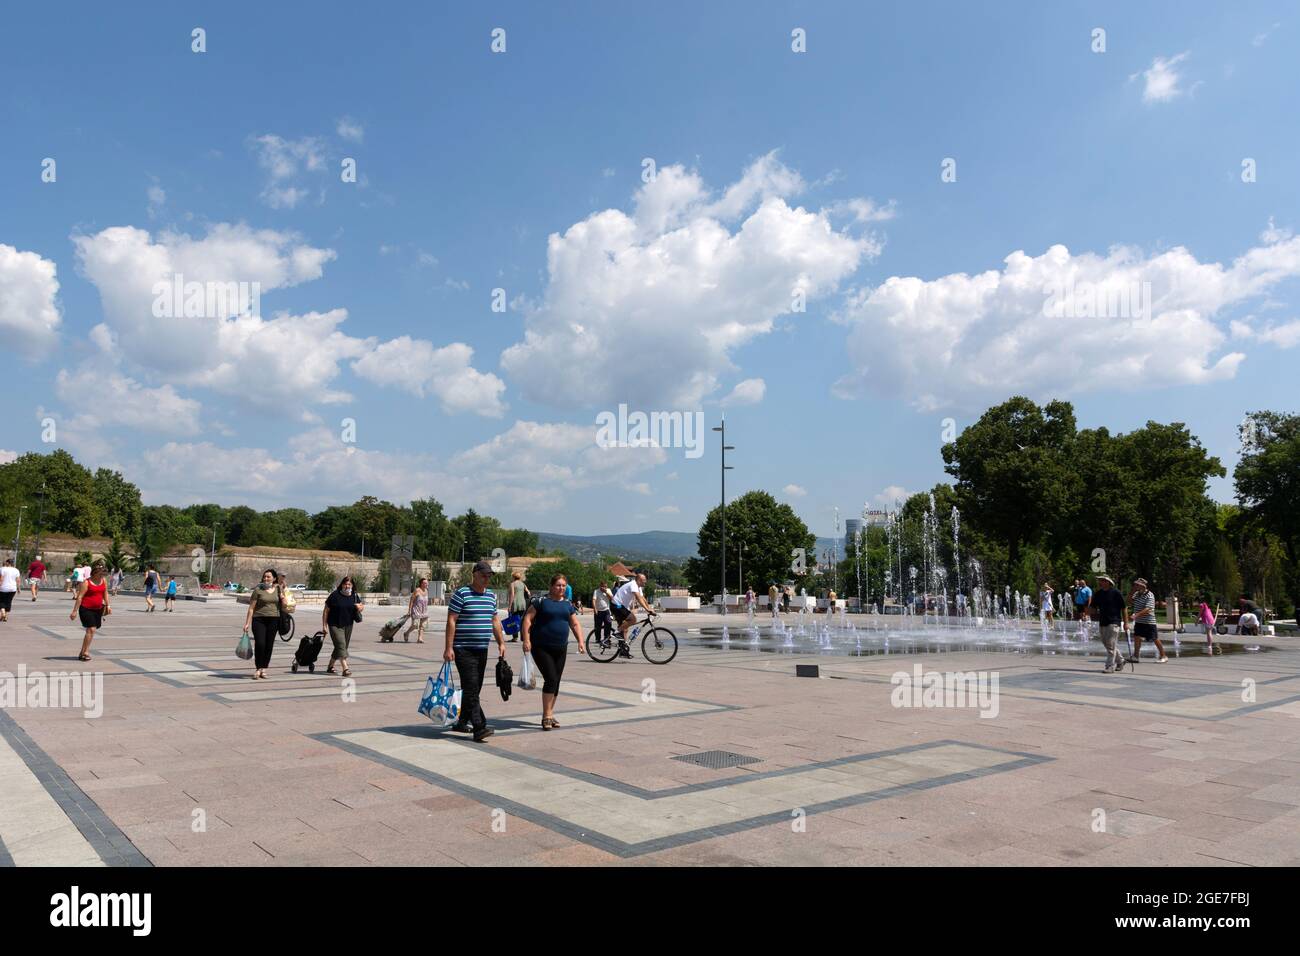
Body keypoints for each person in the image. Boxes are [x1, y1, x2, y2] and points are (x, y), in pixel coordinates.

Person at [444, 561, 508, 743]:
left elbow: (495, 621)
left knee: (474, 687)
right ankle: (480, 727)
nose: (487, 578)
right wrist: (448, 648)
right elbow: (451, 621)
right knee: (472, 688)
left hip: (482, 649)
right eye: (483, 575)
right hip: (463, 649)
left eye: (489, 576)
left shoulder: (490, 596)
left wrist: (501, 643)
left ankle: (462, 721)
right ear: (474, 574)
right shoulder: (462, 594)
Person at [521, 574, 586, 730]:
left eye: (563, 585)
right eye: (558, 585)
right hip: (541, 647)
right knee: (550, 678)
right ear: (551, 586)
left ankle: (550, 713)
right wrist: (526, 639)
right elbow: (528, 619)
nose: (561, 588)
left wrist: (581, 642)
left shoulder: (568, 605)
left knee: (555, 681)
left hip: (561, 647)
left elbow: (575, 624)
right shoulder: (541, 602)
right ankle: (546, 716)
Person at [241, 568, 283, 680]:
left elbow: (284, 603)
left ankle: (264, 668)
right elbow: (251, 608)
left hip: (274, 620)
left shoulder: (278, 589)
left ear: (274, 578)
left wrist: (283, 596)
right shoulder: (258, 590)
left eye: (268, 577)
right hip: (259, 619)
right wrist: (247, 624)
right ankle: (258, 668)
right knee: (260, 644)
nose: (266, 578)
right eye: (264, 576)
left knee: (269, 645)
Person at [70, 561, 112, 662]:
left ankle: (82, 652)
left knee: (91, 631)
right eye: (101, 573)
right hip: (86, 609)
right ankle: (86, 652)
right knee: (91, 629)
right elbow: (80, 597)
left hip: (98, 609)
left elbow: (105, 592)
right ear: (95, 572)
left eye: (103, 573)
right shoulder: (86, 582)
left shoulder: (103, 581)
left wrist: (108, 605)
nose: (102, 575)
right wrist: (74, 611)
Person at [323, 575, 364, 676]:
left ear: (352, 585)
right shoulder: (334, 595)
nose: (347, 586)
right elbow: (326, 611)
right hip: (334, 624)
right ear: (341, 584)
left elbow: (361, 606)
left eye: (349, 584)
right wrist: (324, 626)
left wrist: (360, 607)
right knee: (341, 645)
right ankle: (345, 668)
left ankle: (330, 666)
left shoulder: (354, 595)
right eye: (345, 584)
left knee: (341, 647)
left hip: (348, 625)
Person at [612, 572, 653, 655]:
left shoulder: (638, 587)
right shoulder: (633, 585)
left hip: (622, 606)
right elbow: (638, 598)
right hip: (617, 605)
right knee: (633, 619)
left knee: (625, 629)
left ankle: (623, 651)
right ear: (638, 580)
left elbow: (642, 598)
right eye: (644, 580)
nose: (645, 582)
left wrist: (649, 608)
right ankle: (616, 633)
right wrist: (646, 609)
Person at [1093, 575, 1127, 673]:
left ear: (1108, 582)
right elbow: (1093, 607)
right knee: (1107, 644)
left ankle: (1110, 666)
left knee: (1111, 645)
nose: (1100, 582)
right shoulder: (1098, 593)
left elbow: (1124, 608)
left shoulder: (1116, 593)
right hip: (1103, 621)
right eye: (1100, 581)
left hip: (1114, 621)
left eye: (1102, 581)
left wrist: (1126, 623)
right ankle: (1121, 660)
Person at [1127, 577, 1166, 663]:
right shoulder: (1137, 594)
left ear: (1143, 586)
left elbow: (1148, 608)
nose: (1135, 586)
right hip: (1139, 621)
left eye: (1137, 585)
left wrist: (1136, 615)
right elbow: (1129, 602)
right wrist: (1131, 592)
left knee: (1154, 638)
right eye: (1135, 584)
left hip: (1149, 621)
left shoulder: (1150, 595)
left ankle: (1163, 655)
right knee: (1137, 637)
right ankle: (1136, 656)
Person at [403, 577, 429, 643]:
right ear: (421, 584)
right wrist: (409, 611)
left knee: (422, 625)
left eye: (427, 583)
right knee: (415, 625)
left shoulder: (426, 591)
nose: (426, 584)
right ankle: (406, 633)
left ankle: (420, 638)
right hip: (416, 610)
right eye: (425, 583)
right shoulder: (417, 590)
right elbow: (411, 601)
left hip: (424, 610)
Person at [506, 571, 529, 642]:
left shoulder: (512, 584)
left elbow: (512, 594)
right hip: (522, 603)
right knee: (522, 620)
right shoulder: (523, 584)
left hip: (515, 604)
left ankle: (515, 637)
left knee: (514, 620)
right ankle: (524, 637)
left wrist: (509, 606)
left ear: (513, 577)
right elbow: (528, 592)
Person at [591, 580, 613, 647]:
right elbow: (594, 600)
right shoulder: (596, 591)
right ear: (600, 586)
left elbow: (612, 598)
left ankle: (607, 639)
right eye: (603, 586)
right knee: (598, 626)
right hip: (598, 611)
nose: (604, 588)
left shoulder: (608, 590)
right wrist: (595, 609)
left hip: (606, 610)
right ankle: (598, 639)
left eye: (605, 586)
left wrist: (606, 592)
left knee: (608, 624)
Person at [0, 556, 20, 622]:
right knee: (8, 601)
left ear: (7, 563)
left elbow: (1, 579)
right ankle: (5, 616)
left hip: (3, 588)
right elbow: (18, 580)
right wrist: (18, 588)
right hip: (12, 589)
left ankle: (2, 612)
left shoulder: (2, 569)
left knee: (1, 601)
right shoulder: (16, 570)